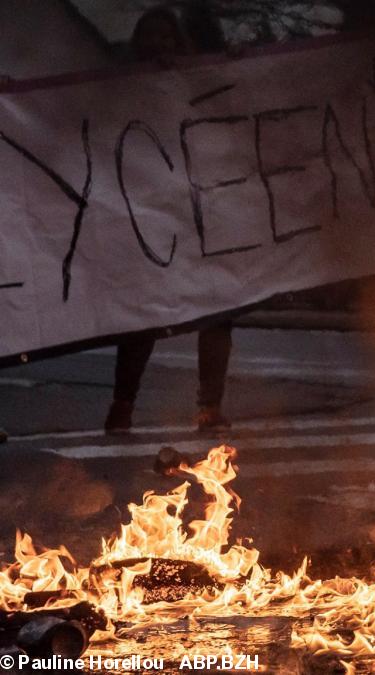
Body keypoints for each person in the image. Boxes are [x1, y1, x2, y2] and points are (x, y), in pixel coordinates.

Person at [106, 4, 232, 435]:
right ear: (138, 43)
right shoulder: (116, 86)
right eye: (152, 37)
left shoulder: (194, 84)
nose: (159, 46)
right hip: (147, 218)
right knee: (144, 317)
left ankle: (208, 407)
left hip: (196, 215)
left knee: (218, 310)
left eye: (167, 38)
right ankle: (122, 405)